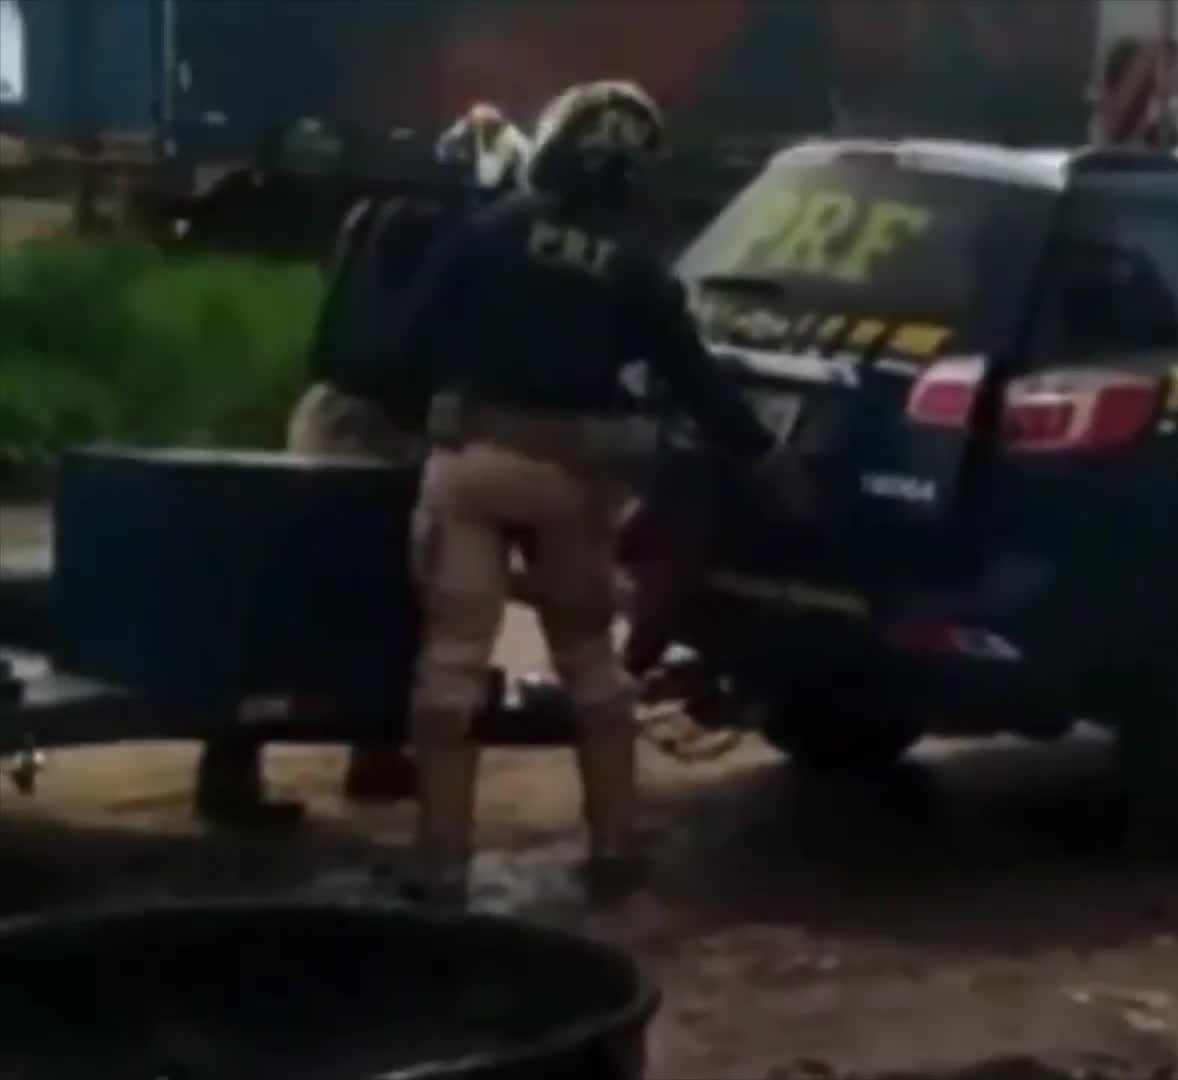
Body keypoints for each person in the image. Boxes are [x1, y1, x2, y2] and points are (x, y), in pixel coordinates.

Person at [391, 79, 798, 906]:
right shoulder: (638, 269)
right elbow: (697, 384)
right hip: (572, 482)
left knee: (451, 667)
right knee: (589, 664)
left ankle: (440, 864)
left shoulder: (487, 233)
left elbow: (406, 342)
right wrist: (764, 460)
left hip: (473, 464)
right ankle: (615, 849)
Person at [191, 105, 530, 825]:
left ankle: (326, 758)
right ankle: (317, 761)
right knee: (390, 597)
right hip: (384, 431)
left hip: (328, 411)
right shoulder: (462, 242)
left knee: (320, 589)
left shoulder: (373, 218)